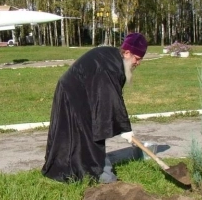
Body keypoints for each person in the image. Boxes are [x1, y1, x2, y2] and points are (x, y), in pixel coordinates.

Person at [41, 33, 148, 183]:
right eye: (137, 58)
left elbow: (112, 96)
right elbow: (109, 99)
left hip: (83, 93)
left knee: (86, 135)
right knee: (82, 136)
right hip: (72, 93)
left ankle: (86, 171)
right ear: (127, 53)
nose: (138, 63)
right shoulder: (110, 66)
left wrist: (123, 127)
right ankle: (98, 174)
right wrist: (125, 129)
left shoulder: (115, 60)